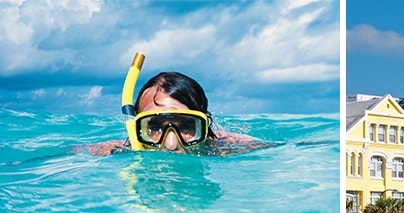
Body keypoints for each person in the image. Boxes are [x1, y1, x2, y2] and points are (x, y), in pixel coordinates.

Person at [78, 54, 266, 155]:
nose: (170, 144)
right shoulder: (118, 149)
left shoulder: (223, 146)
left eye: (185, 126)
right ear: (136, 129)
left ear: (204, 127)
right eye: (154, 128)